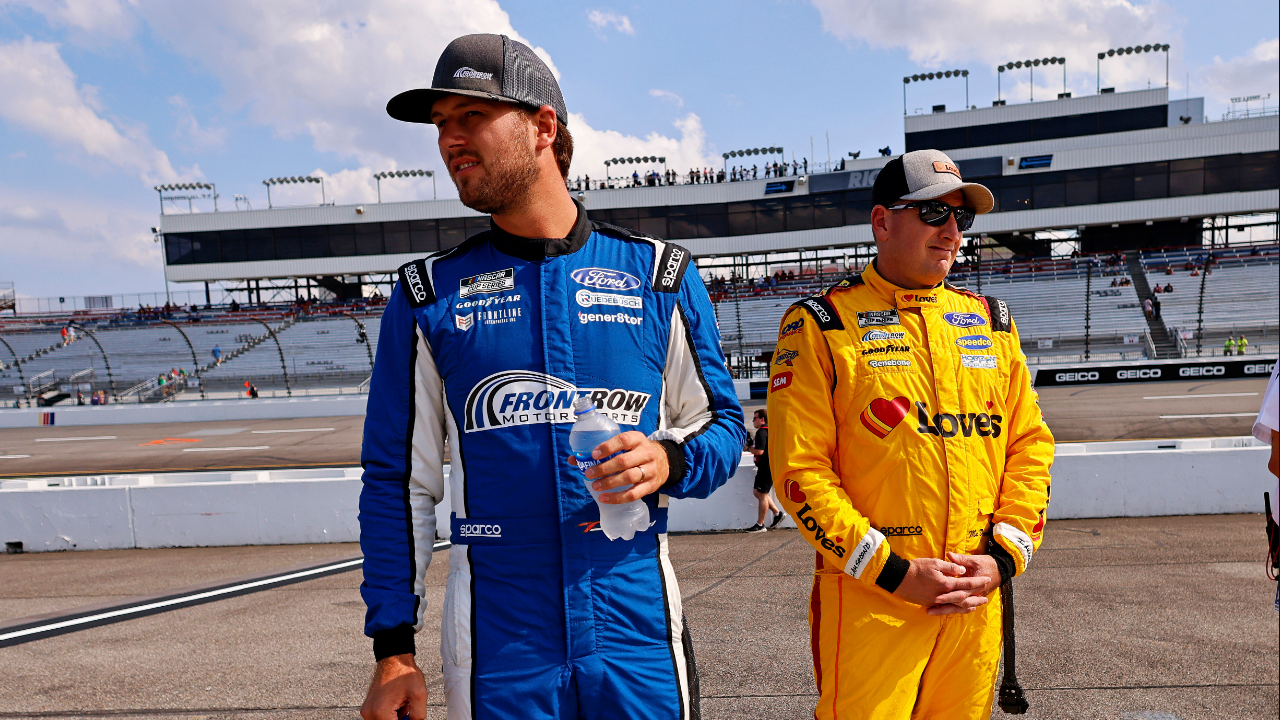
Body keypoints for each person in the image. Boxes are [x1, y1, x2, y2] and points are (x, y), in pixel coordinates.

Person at [361, 34, 745, 720]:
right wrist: (394, 648)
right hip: (499, 639)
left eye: (470, 116)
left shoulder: (659, 278)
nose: (450, 139)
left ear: (543, 127)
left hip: (637, 628)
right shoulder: (427, 294)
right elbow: (398, 480)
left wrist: (669, 458)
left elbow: (724, 428)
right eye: (441, 124)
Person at [768, 149, 1053, 719]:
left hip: (973, 598)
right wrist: (894, 572)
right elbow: (799, 473)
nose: (951, 232)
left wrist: (1003, 558)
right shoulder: (821, 324)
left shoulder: (992, 321)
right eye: (932, 213)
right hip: (875, 599)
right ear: (881, 221)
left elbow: (1029, 446)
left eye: (960, 218)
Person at [744, 408, 784, 533]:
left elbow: (760, 451)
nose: (753, 421)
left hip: (766, 467)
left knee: (761, 495)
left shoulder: (761, 432)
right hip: (768, 466)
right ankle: (778, 514)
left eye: (755, 418)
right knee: (758, 492)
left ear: (762, 419)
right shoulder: (769, 430)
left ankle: (760, 525)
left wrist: (747, 448)